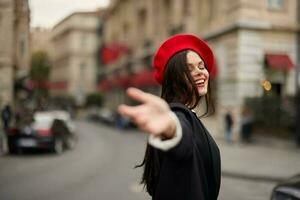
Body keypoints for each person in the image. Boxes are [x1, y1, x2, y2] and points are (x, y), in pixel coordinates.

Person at [118, 34, 221, 200]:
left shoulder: (188, 115)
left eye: (201, 67)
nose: (200, 73)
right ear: (174, 79)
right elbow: (181, 134)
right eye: (189, 69)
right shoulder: (178, 115)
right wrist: (173, 129)